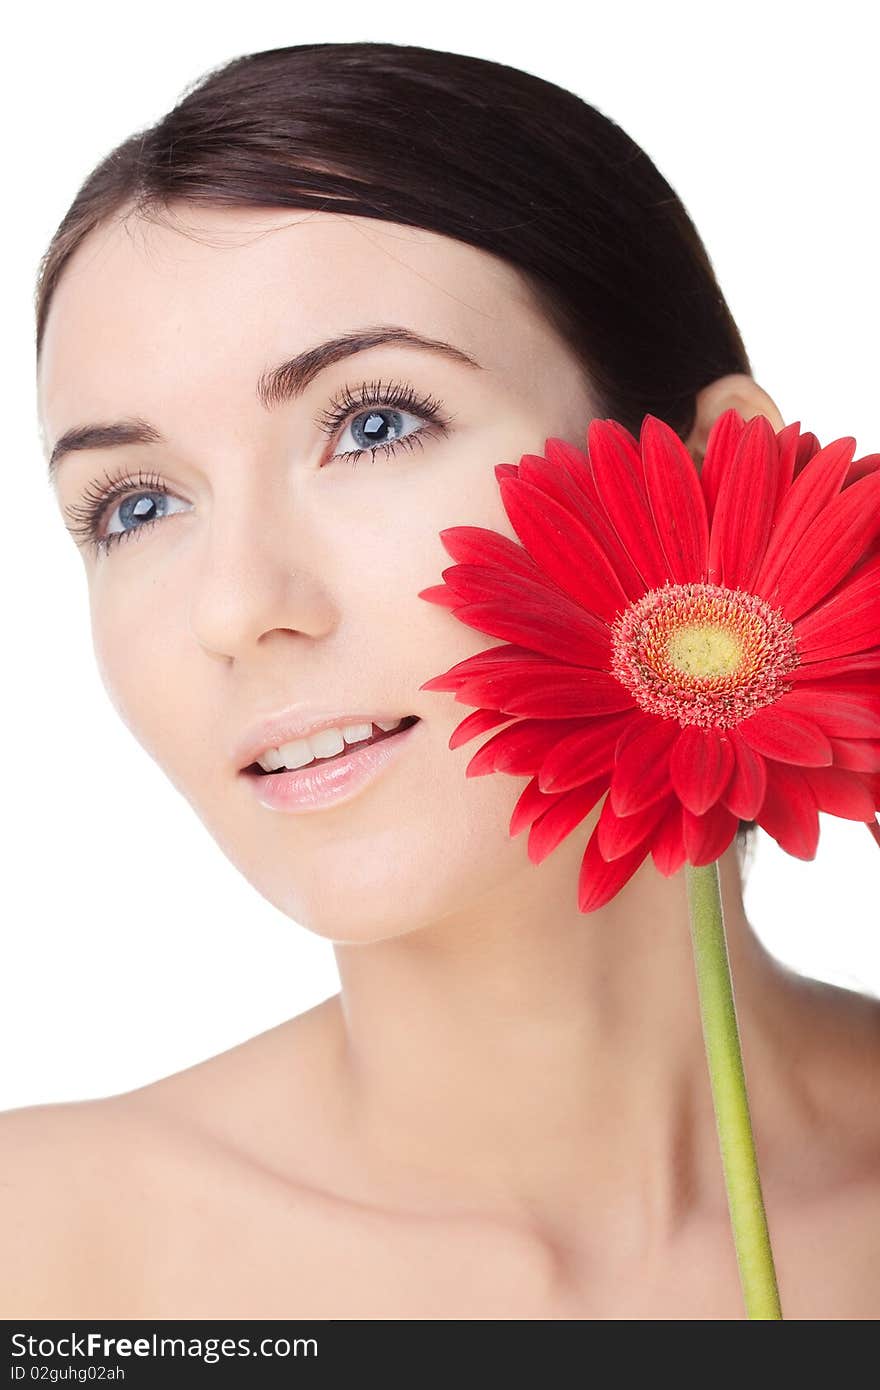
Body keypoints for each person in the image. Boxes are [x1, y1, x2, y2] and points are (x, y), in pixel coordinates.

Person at [4, 41, 878, 1320]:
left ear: (710, 461)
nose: (241, 607)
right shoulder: (44, 1257)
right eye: (135, 505)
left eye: (372, 424)